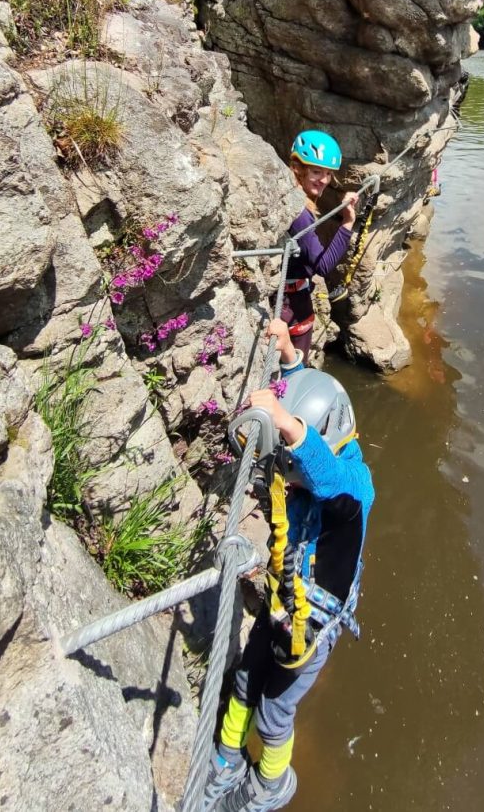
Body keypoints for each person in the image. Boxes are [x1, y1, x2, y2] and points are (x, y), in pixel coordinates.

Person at [205, 319, 375, 812]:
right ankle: (223, 762)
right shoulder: (324, 437)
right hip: (283, 597)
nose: (285, 477)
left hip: (311, 621)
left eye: (289, 466)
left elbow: (328, 480)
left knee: (274, 713)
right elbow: (310, 399)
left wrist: (287, 425)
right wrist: (287, 356)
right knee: (243, 681)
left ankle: (269, 785)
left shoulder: (354, 487)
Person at [284, 130, 358, 359]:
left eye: (328, 173)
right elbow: (322, 265)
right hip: (291, 303)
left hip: (289, 294)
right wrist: (348, 222)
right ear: (298, 167)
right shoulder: (300, 215)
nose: (324, 180)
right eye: (316, 171)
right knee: (295, 364)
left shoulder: (290, 194)